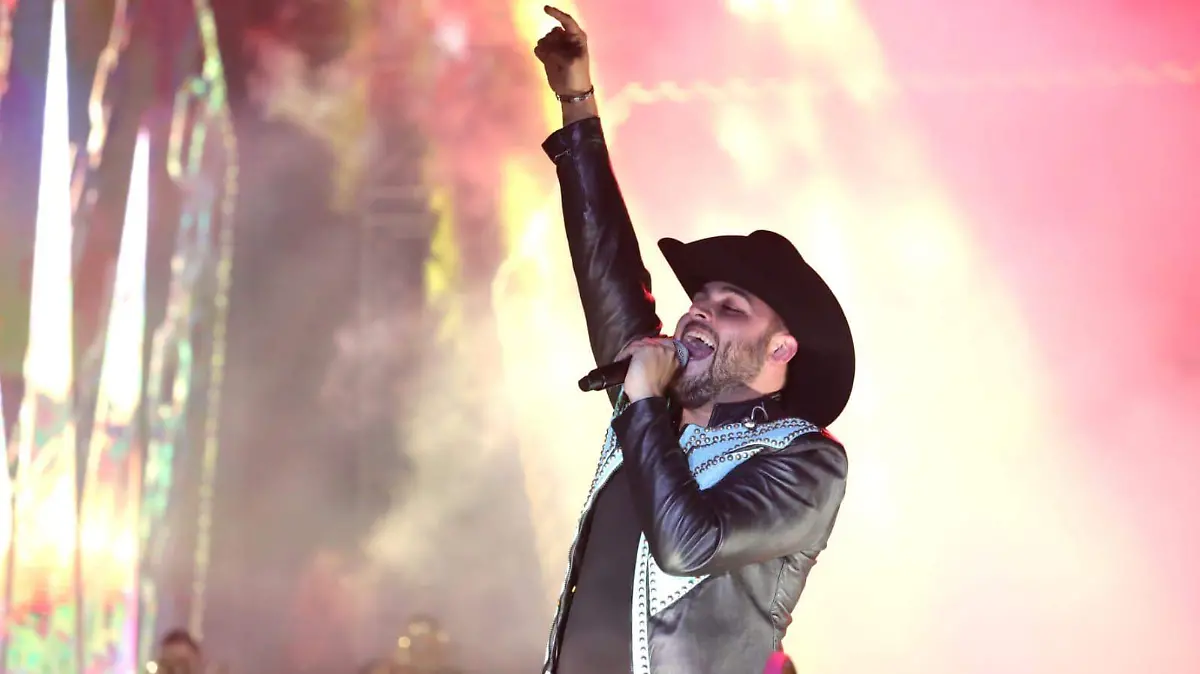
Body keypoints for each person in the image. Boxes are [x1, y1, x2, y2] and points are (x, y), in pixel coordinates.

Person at [533, 7, 856, 674]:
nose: (697, 315)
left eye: (730, 308)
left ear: (781, 348)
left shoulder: (805, 461)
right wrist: (577, 103)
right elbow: (607, 270)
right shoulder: (655, 417)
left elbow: (688, 545)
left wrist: (645, 404)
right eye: (697, 303)